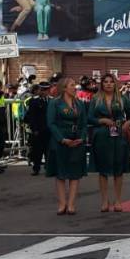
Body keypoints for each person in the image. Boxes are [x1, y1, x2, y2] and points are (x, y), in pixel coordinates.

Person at [88, 74, 130, 212]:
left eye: (111, 82)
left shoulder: (122, 98)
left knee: (118, 169)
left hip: (119, 135)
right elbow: (89, 118)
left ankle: (118, 200)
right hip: (102, 135)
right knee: (103, 170)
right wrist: (102, 121)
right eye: (105, 82)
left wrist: (129, 122)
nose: (108, 84)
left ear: (115, 84)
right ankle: (104, 200)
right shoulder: (96, 99)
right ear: (102, 84)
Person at [46, 77, 87, 215]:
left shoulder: (79, 104)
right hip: (60, 141)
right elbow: (51, 123)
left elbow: (84, 124)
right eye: (72, 85)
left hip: (77, 141)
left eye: (74, 85)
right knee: (61, 173)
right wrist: (62, 139)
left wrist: (82, 138)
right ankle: (62, 203)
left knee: (75, 174)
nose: (75, 87)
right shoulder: (55, 103)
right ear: (64, 88)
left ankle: (71, 204)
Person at [23, 81, 51, 175]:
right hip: (38, 130)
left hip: (49, 129)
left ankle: (49, 168)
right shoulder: (34, 101)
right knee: (37, 150)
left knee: (48, 150)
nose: (44, 92)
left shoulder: (51, 101)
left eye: (46, 90)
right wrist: (34, 129)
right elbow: (32, 117)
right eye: (43, 90)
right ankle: (36, 168)